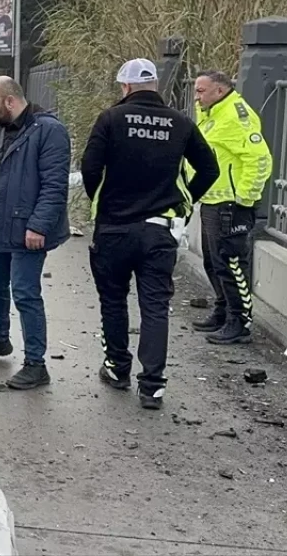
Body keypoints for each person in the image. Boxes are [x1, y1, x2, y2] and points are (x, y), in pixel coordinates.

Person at [80, 59, 219, 409]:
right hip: (159, 229)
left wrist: (103, 198)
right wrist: (185, 198)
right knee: (155, 306)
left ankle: (117, 368)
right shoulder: (181, 122)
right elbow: (209, 169)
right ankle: (153, 386)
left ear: (124, 88)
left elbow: (90, 167)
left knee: (113, 300)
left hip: (113, 227)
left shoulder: (110, 119)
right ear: (155, 86)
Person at [0, 76, 71, 390]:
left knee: (25, 293)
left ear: (10, 101)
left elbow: (54, 186)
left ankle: (36, 364)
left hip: (28, 229)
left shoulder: (49, 131)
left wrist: (38, 225)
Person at [190, 69, 272, 345]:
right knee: (213, 262)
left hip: (230, 204)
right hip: (212, 200)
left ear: (220, 91)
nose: (196, 96)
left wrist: (245, 200)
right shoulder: (211, 112)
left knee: (232, 264)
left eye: (201, 91)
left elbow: (260, 159)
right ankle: (223, 310)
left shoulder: (237, 117)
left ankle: (240, 322)